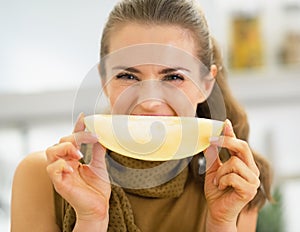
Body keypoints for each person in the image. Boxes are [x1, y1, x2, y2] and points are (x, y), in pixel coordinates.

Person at [11, 0, 273, 231]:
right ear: (104, 80)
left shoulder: (236, 183)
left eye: (173, 77)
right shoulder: (43, 178)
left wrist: (221, 223)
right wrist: (91, 219)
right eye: (127, 76)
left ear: (206, 84)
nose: (149, 102)